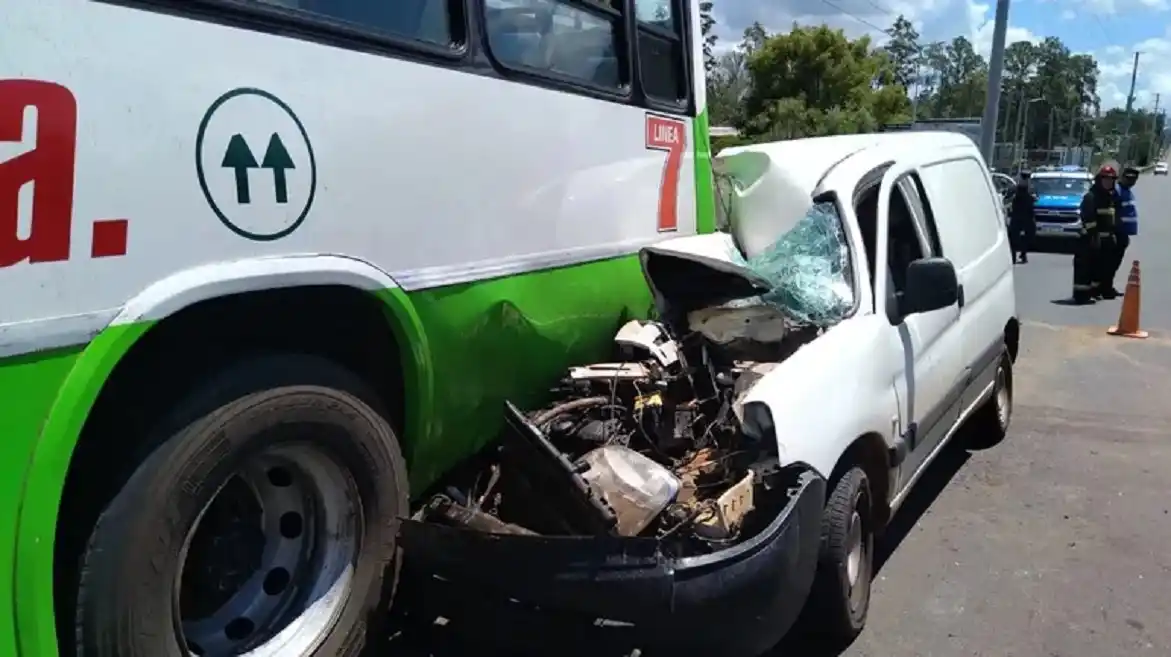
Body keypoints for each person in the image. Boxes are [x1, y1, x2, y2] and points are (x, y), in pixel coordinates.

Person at [1074, 165, 1119, 303]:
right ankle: (1082, 295)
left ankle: (1094, 292)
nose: (1109, 182)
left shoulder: (1109, 197)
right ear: (1099, 180)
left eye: (1111, 179)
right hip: (1090, 241)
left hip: (1104, 242)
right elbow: (1088, 219)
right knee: (1085, 270)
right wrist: (1094, 236)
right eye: (1105, 179)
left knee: (1099, 271)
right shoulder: (1091, 197)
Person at [1103, 166, 1140, 297]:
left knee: (1115, 263)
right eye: (1128, 178)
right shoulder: (1117, 191)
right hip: (1116, 233)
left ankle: (1108, 286)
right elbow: (1111, 211)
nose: (1131, 181)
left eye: (1134, 179)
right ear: (1122, 177)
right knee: (1111, 263)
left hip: (1123, 233)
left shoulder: (1127, 191)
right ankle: (1106, 288)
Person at [1008, 170, 1036, 263]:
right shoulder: (1015, 188)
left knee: (1030, 235)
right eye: (1024, 177)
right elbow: (1009, 199)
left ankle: (1023, 253)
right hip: (1017, 215)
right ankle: (1014, 256)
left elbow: (1035, 198)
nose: (1026, 179)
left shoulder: (1031, 189)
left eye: (1027, 177)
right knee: (1013, 237)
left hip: (1027, 215)